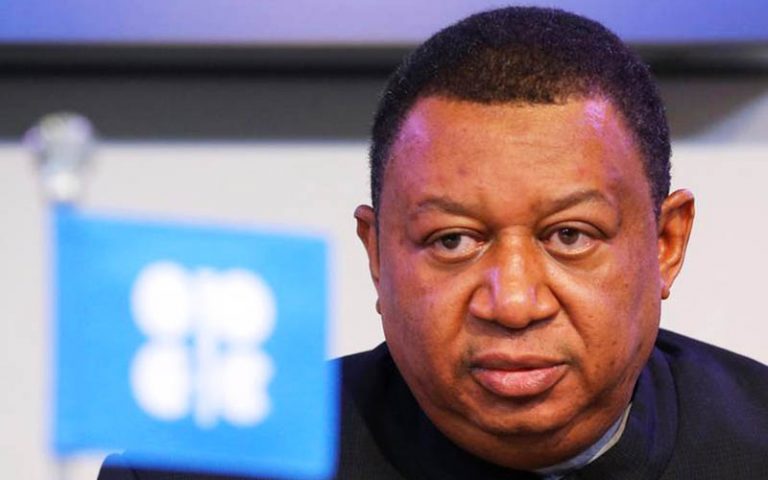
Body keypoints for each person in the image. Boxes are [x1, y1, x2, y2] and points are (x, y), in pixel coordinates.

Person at [99, 6, 768, 480]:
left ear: (666, 244)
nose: (513, 303)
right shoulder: (204, 471)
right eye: (452, 241)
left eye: (569, 236)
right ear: (377, 256)